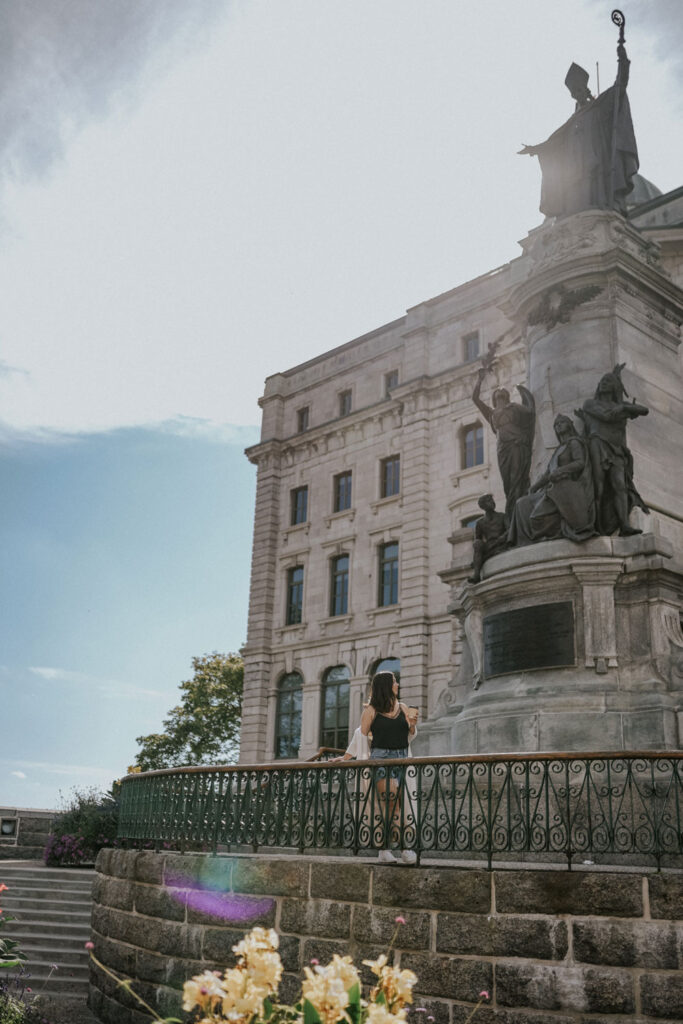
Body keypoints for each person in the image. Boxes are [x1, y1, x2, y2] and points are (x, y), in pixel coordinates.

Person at [519, 43, 638, 218]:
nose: (578, 93)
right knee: (574, 201)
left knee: (594, 199)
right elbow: (555, 142)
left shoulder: (600, 107)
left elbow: (620, 85)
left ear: (586, 89)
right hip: (574, 170)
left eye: (580, 89)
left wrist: (623, 61)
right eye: (575, 92)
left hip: (596, 164)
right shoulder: (572, 121)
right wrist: (535, 149)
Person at [578, 365, 649, 536]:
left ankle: (624, 525)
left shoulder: (620, 406)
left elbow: (644, 410)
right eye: (602, 381)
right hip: (598, 444)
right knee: (598, 486)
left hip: (616, 450)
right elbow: (606, 416)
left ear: (615, 386)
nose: (603, 383)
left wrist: (624, 407)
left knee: (619, 486)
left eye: (608, 381)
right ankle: (593, 524)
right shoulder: (590, 404)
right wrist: (624, 409)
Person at [508, 414, 596, 546]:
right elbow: (548, 473)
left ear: (569, 424)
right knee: (521, 503)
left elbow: (580, 462)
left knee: (536, 517)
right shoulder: (558, 450)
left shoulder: (574, 442)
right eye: (556, 424)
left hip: (567, 487)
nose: (558, 425)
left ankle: (551, 533)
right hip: (552, 489)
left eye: (561, 422)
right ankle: (524, 542)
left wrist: (561, 470)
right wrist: (534, 487)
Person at [360, 671, 418, 865]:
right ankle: (404, 848)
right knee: (392, 804)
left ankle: (384, 849)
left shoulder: (402, 707)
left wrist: (412, 725)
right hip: (381, 761)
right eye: (394, 682)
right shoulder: (371, 711)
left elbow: (409, 734)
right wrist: (350, 757)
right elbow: (360, 736)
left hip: (402, 760)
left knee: (397, 806)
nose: (398, 684)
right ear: (385, 686)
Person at [472, 368, 536, 519]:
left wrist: (523, 391)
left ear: (506, 396)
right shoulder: (491, 413)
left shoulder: (515, 407)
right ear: (494, 398)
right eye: (497, 392)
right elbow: (475, 399)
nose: (500, 392)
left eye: (502, 391)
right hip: (502, 448)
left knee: (517, 478)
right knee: (507, 482)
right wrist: (480, 380)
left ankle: (516, 512)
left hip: (516, 444)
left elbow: (530, 413)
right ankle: (514, 512)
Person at [468, 494, 508, 583]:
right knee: (477, 543)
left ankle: (478, 561)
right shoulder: (480, 522)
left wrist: (503, 536)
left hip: (501, 543)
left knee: (480, 556)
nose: (492, 502)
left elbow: (510, 530)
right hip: (489, 546)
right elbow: (477, 539)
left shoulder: (502, 516)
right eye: (489, 501)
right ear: (483, 506)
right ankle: (476, 575)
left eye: (492, 500)